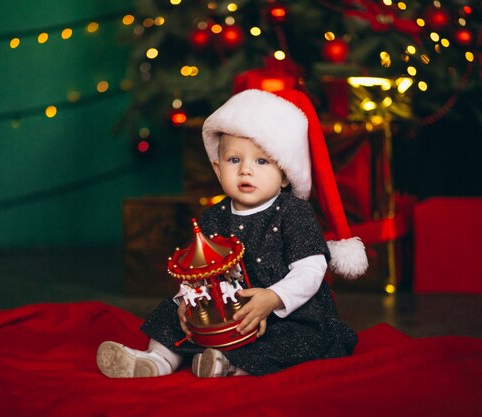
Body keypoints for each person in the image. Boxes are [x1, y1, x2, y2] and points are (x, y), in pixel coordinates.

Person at [96, 88, 368, 378]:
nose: (246, 171)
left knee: (297, 339)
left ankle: (229, 364)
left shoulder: (293, 213)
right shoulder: (215, 217)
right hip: (225, 311)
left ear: (286, 173)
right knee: (173, 314)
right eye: (234, 160)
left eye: (261, 161)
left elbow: (311, 269)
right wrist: (187, 302)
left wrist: (273, 298)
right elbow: (197, 270)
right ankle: (156, 361)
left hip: (283, 311)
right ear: (217, 168)